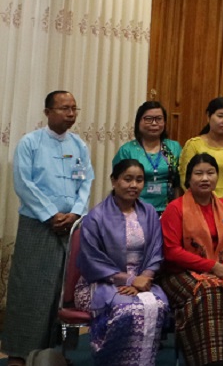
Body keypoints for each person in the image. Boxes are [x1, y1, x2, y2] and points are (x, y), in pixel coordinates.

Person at [3, 91, 95, 364]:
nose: (70, 114)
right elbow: (23, 184)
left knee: (63, 292)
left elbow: (86, 181)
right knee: (30, 290)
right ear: (47, 112)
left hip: (70, 227)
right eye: (64, 108)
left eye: (74, 109)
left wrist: (76, 213)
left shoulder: (79, 145)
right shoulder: (30, 143)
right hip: (38, 226)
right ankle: (19, 353)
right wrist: (50, 215)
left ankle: (58, 353)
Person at [74, 160, 169, 364]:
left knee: (158, 306)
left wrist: (144, 278)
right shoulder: (96, 216)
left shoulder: (150, 213)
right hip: (100, 283)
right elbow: (91, 261)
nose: (133, 185)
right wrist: (128, 280)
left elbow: (156, 252)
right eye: (127, 179)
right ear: (114, 181)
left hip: (143, 283)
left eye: (139, 180)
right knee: (127, 310)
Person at [160, 153, 223, 366]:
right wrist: (211, 266)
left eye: (210, 173)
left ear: (217, 177)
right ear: (189, 178)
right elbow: (172, 251)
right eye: (198, 173)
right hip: (178, 273)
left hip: (220, 270)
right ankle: (206, 360)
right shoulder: (175, 208)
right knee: (207, 293)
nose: (205, 178)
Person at [112, 101, 181, 213]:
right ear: (138, 122)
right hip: (135, 209)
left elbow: (179, 181)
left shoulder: (174, 148)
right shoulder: (127, 150)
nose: (154, 123)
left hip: (169, 210)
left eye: (158, 119)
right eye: (148, 119)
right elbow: (119, 183)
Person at [180, 97, 223, 202]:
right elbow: (185, 179)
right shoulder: (193, 145)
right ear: (208, 116)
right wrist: (209, 202)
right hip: (200, 203)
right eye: (220, 116)